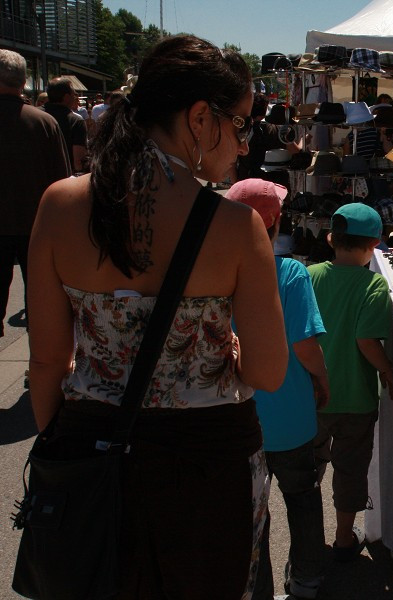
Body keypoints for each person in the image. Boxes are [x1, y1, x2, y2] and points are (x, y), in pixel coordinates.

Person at [27, 35, 288, 599]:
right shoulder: (237, 227)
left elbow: (47, 360)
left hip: (92, 446)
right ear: (199, 118)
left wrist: (65, 444)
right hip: (207, 461)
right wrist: (230, 353)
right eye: (240, 124)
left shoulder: (59, 205)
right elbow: (269, 373)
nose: (244, 144)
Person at [225, 179, 330, 600]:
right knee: (303, 500)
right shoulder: (290, 272)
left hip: (239, 416)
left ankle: (259, 587)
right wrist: (322, 378)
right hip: (290, 418)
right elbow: (305, 345)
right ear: (276, 222)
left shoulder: (217, 273)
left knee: (251, 515)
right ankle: (305, 581)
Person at [307, 203, 393, 563]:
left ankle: (308, 538)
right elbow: (366, 342)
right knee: (350, 471)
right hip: (356, 400)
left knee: (308, 469)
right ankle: (344, 539)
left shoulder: (309, 275)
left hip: (311, 395)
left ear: (331, 239)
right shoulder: (373, 284)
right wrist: (388, 371)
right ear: (373, 244)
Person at [0, 50, 70, 338]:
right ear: (24, 81)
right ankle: (40, 366)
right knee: (41, 304)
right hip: (37, 228)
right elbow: (63, 182)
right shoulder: (44, 123)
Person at [236, 92, 303, 181]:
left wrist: (236, 184)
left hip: (245, 181)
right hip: (272, 183)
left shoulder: (240, 130)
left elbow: (232, 164)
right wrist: (304, 139)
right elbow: (296, 151)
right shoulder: (275, 130)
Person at [42, 77, 88, 172]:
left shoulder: (35, 116)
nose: (75, 96)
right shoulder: (76, 121)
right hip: (63, 177)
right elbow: (78, 162)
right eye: (73, 94)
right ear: (66, 97)